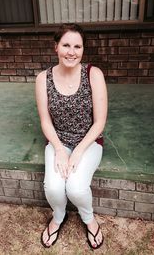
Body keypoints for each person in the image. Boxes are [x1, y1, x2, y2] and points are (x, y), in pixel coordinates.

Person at [35, 23, 108, 250]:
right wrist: (58, 149)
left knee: (76, 188)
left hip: (89, 142)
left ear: (83, 50)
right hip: (58, 141)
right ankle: (58, 216)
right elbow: (46, 121)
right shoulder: (42, 78)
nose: (71, 51)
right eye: (66, 45)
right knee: (54, 188)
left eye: (77, 46)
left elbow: (99, 123)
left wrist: (77, 152)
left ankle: (89, 219)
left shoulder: (93, 74)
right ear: (56, 47)